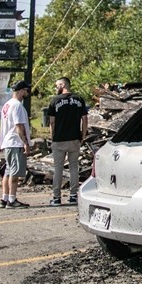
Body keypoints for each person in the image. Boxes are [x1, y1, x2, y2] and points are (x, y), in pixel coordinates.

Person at [45, 77, 88, 205]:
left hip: (59, 139)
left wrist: (53, 138)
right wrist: (83, 136)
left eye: (57, 85)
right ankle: (73, 195)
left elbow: (52, 122)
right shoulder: (79, 100)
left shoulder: (54, 101)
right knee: (74, 167)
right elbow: (85, 119)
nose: (55, 87)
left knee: (58, 168)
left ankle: (56, 197)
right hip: (75, 138)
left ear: (63, 85)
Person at [0, 80, 32, 208]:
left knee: (8, 171)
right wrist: (25, 142)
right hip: (15, 142)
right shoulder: (17, 105)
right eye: (26, 91)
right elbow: (19, 126)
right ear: (21, 91)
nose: (27, 93)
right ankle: (12, 200)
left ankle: (5, 198)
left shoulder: (7, 105)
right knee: (14, 172)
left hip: (7, 142)